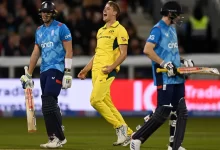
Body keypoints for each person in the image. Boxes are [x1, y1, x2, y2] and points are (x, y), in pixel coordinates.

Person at [130, 1, 194, 150]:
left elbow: (172, 53)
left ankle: (175, 146)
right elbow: (147, 50)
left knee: (181, 111)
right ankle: (136, 138)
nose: (179, 17)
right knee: (163, 111)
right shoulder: (157, 29)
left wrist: (183, 61)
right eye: (177, 14)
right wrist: (164, 63)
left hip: (176, 75)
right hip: (164, 75)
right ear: (170, 13)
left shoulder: (172, 29)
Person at [77, 1, 133, 146]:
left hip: (107, 71)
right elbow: (97, 54)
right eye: (104, 8)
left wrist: (112, 67)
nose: (104, 10)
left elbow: (124, 53)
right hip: (96, 71)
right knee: (107, 102)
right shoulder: (100, 31)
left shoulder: (120, 29)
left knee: (95, 100)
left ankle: (120, 127)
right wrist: (86, 69)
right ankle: (129, 134)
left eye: (108, 8)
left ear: (115, 13)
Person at [20, 1, 73, 148]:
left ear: (53, 13)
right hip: (44, 70)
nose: (44, 14)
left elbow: (69, 50)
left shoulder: (62, 28)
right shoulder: (39, 31)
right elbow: (36, 53)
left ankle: (57, 137)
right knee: (50, 103)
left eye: (47, 12)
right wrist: (29, 74)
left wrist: (68, 72)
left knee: (48, 101)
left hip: (56, 68)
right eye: (43, 12)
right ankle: (55, 135)